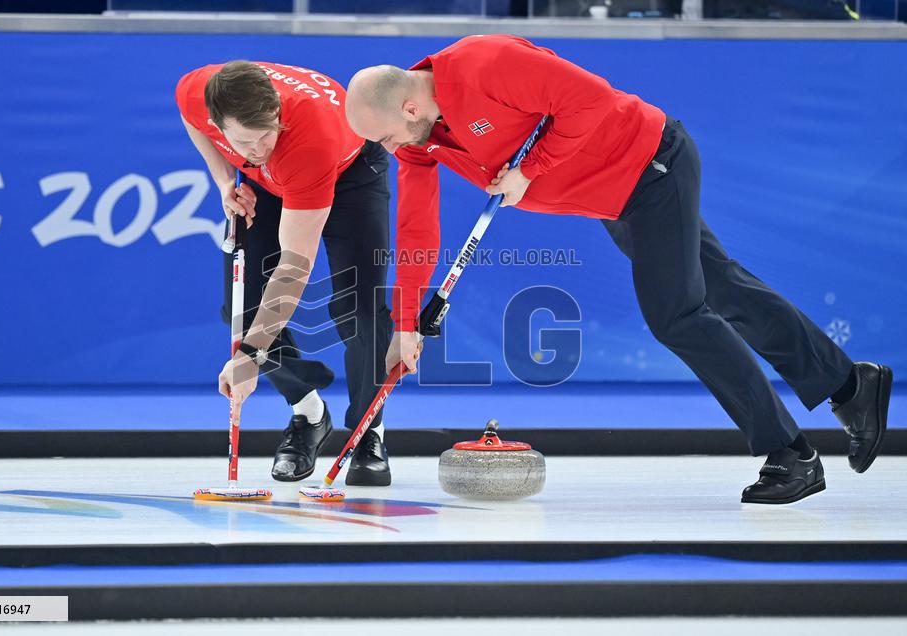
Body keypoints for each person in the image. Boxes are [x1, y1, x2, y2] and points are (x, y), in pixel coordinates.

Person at [343, 35, 892, 504]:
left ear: (408, 108)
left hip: (651, 165)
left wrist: (529, 170)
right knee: (723, 290)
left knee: (677, 313)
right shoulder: (420, 141)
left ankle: (790, 454)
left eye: (383, 137)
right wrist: (406, 323)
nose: (385, 150)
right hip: (613, 198)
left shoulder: (484, 63)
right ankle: (849, 384)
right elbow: (417, 230)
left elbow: (591, 101)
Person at [176, 60, 394, 486]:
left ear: (277, 111)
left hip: (350, 175)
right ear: (220, 124)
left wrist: (251, 357)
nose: (260, 149)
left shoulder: (305, 139)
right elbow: (194, 124)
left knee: (361, 310)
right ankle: (309, 412)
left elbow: (295, 266)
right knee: (245, 312)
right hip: (268, 186)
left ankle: (368, 432)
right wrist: (224, 181)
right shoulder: (195, 90)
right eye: (245, 142)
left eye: (266, 134)